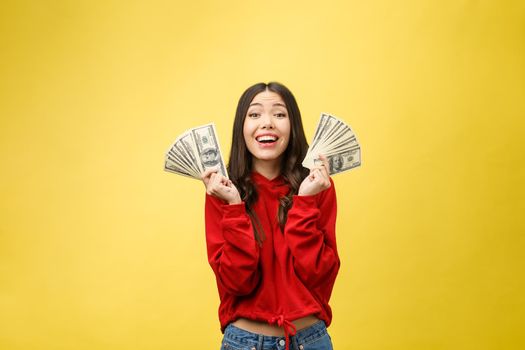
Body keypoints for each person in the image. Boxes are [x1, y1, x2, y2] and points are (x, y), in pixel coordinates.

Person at [202, 82, 340, 350]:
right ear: (241, 128)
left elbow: (320, 275)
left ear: (293, 126)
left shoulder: (317, 185)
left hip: (309, 340)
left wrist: (305, 201)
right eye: (254, 115)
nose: (267, 123)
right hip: (244, 343)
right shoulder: (221, 190)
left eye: (279, 114)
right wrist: (233, 207)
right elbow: (236, 283)